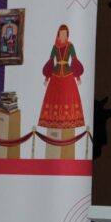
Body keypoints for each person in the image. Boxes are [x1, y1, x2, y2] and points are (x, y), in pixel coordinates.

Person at [38, 24, 85, 158]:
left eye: (65, 33)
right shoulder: (54, 47)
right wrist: (47, 78)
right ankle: (55, 124)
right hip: (56, 75)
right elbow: (50, 62)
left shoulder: (71, 46)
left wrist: (78, 77)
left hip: (68, 75)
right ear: (58, 34)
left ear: (67, 35)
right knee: (55, 99)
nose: (63, 35)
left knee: (68, 99)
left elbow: (74, 61)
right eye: (61, 33)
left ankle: (67, 124)